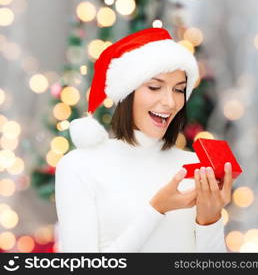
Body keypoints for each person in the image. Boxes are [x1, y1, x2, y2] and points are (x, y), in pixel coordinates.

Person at [55, 27, 233, 252]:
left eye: (179, 90)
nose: (170, 102)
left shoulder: (195, 166)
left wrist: (210, 220)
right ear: (128, 92)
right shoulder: (80, 165)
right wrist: (156, 210)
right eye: (155, 87)